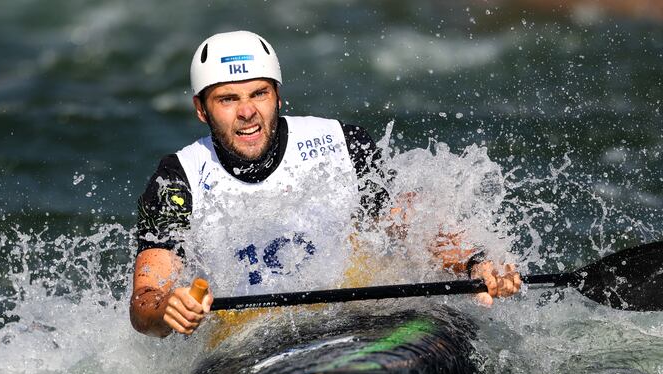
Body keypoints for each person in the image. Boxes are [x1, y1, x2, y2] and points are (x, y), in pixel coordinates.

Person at [130, 30, 521, 338]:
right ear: (201, 109)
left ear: (278, 96)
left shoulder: (341, 144)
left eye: (259, 94)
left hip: (350, 320)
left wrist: (475, 262)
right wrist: (167, 309)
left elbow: (408, 223)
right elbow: (144, 301)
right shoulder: (176, 180)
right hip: (242, 340)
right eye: (228, 99)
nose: (247, 111)